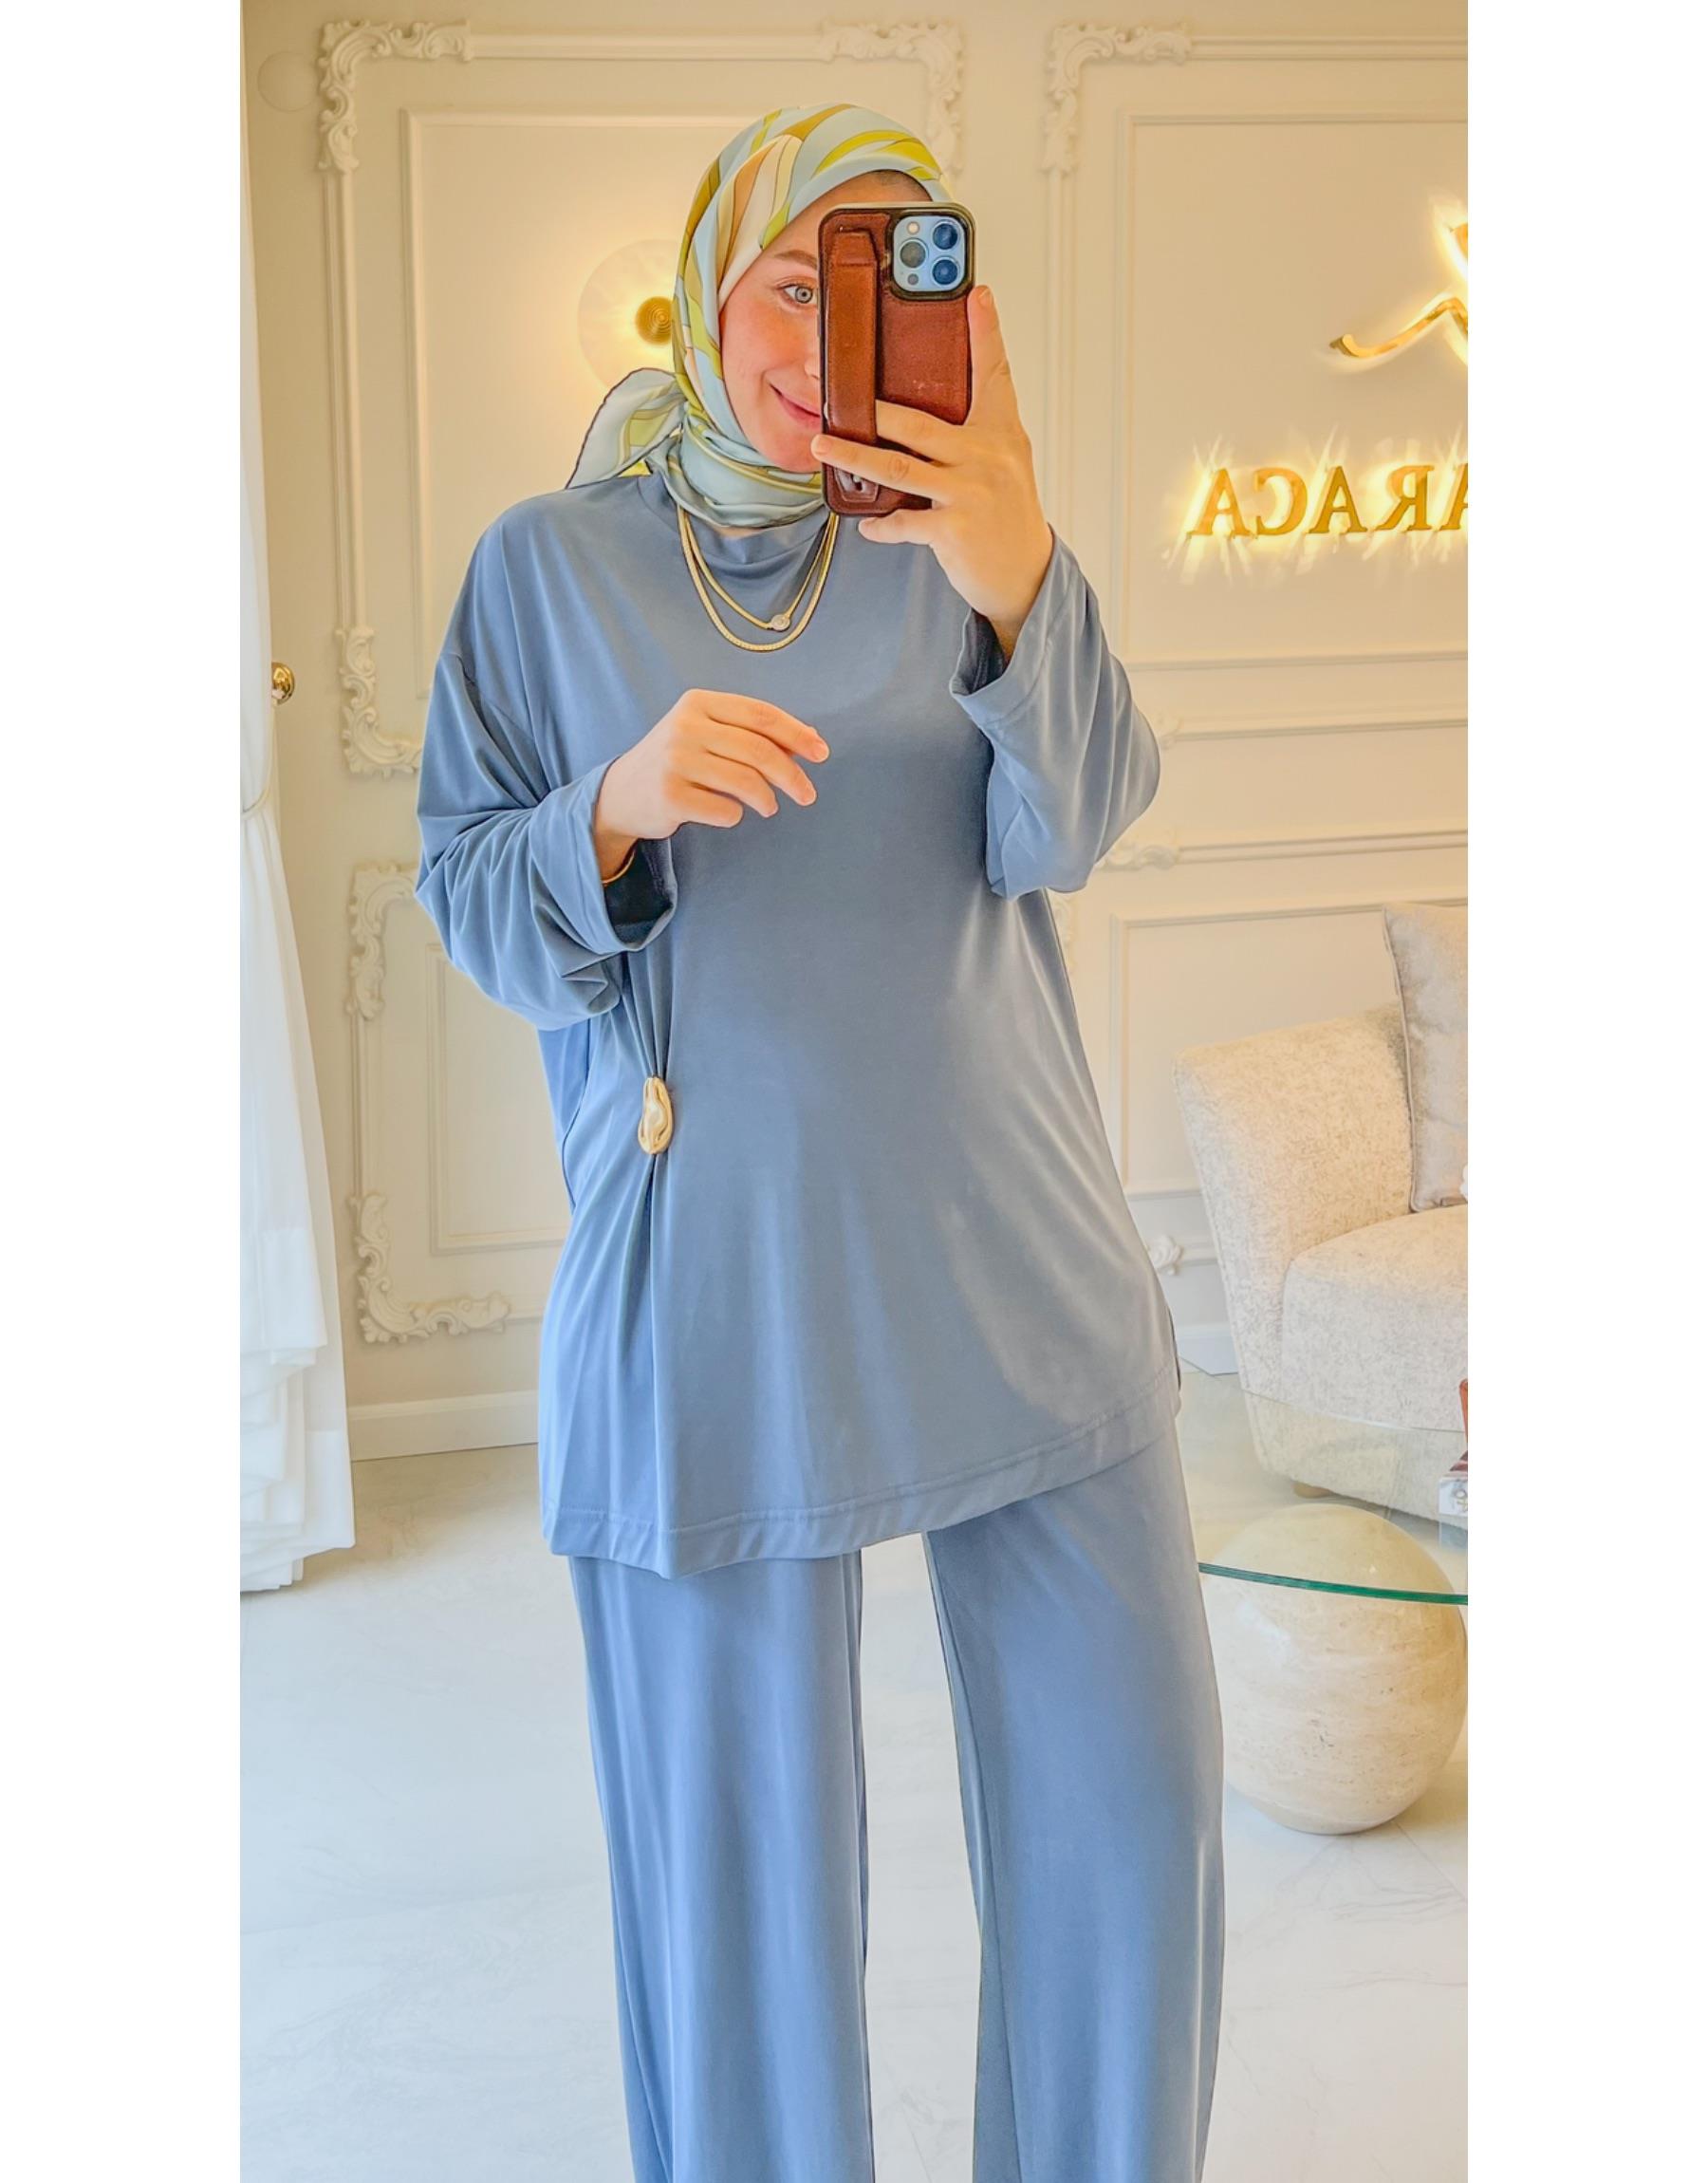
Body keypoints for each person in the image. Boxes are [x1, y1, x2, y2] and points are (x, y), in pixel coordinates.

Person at [416, 103, 1223, 2183]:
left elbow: (1073, 825)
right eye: (797, 280)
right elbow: (470, 899)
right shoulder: (548, 566)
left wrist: (1013, 565)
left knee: (1132, 1828)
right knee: (742, 1907)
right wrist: (614, 804)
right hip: (718, 1285)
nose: (823, 337)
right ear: (707, 285)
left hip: (1020, 1256)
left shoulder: (964, 535)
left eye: (886, 283)